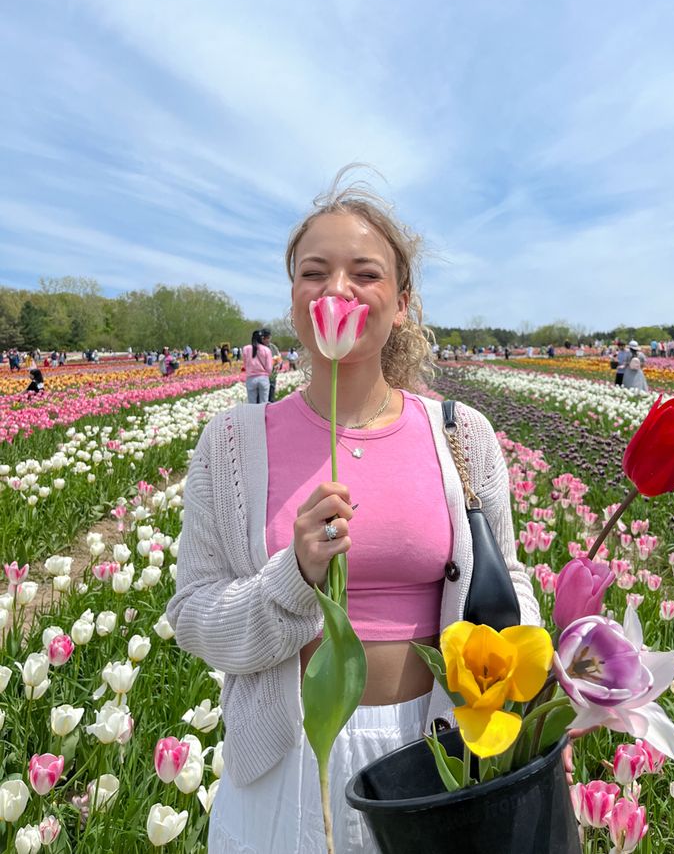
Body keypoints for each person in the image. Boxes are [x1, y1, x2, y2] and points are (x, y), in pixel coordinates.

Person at [167, 168, 542, 854]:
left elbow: (510, 584)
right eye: (314, 272)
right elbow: (192, 615)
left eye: (364, 272)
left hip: (432, 746)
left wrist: (522, 697)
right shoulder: (232, 443)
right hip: (285, 753)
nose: (336, 288)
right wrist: (296, 576)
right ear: (293, 301)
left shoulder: (462, 434)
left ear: (401, 302)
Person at [242, 329, 273, 403]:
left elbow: (245, 364)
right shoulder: (266, 350)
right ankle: (262, 414)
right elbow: (269, 368)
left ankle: (253, 414)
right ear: (261, 338)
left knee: (252, 402)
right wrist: (268, 373)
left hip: (251, 378)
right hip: (263, 377)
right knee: (264, 402)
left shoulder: (246, 349)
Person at [260, 329, 282, 403]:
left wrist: (278, 364)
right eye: (264, 338)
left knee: (271, 395)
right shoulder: (256, 347)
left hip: (271, 375)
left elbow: (279, 358)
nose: (267, 340)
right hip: (261, 376)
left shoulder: (273, 347)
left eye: (268, 338)